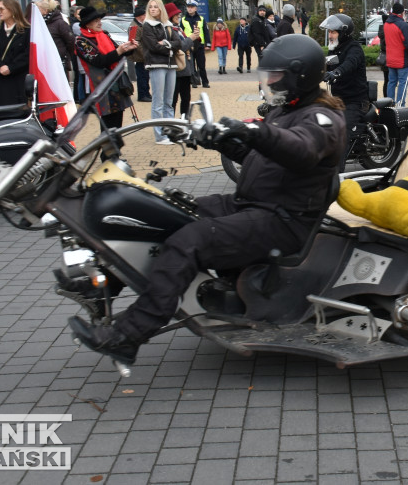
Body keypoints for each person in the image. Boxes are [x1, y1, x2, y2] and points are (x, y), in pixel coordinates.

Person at [68, 34, 347, 364]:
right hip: (252, 204)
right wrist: (213, 139)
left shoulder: (323, 120)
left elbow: (300, 151)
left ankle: (128, 335)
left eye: (275, 76)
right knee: (165, 211)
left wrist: (254, 130)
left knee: (190, 241)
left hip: (283, 220)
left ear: (298, 76)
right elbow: (260, 156)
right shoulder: (286, 110)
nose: (269, 82)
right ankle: (105, 284)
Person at [75, 7, 138, 130]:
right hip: (102, 87)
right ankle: (108, 148)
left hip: (116, 85)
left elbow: (117, 54)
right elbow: (99, 61)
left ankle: (112, 148)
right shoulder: (81, 41)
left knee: (117, 125)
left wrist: (129, 49)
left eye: (100, 19)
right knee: (109, 127)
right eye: (96, 20)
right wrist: (119, 51)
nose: (100, 23)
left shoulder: (104, 35)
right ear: (87, 24)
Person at [321, 14, 367, 164]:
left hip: (354, 100)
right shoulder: (334, 49)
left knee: (342, 132)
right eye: (329, 32)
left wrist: (336, 72)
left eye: (333, 32)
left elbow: (349, 64)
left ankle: (335, 174)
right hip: (337, 99)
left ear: (343, 33)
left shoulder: (354, 48)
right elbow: (325, 65)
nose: (330, 35)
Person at [136, 0, 180, 144]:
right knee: (158, 102)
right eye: (150, 7)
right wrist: (169, 47)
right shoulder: (147, 25)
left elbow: (178, 43)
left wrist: (166, 43)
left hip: (170, 65)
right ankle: (160, 136)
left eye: (155, 7)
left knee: (169, 101)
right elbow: (153, 46)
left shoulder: (168, 25)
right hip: (156, 65)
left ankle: (170, 133)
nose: (152, 9)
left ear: (161, 9)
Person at [0, 0, 30, 106]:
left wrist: (11, 68)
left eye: (2, 9)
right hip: (0, 79)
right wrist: (0, 66)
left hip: (18, 79)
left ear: (12, 9)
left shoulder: (26, 31)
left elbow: (27, 54)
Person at [36, 0, 77, 92]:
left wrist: (64, 54)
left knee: (60, 90)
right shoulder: (40, 23)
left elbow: (70, 41)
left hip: (58, 61)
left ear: (45, 10)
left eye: (39, 10)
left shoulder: (60, 23)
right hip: (44, 62)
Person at [167, 4, 196, 119]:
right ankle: (171, 120)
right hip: (177, 68)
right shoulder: (170, 30)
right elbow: (180, 46)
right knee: (173, 98)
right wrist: (191, 39)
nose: (179, 16)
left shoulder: (178, 29)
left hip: (184, 69)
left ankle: (184, 118)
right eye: (176, 15)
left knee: (186, 97)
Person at [384, 2, 408, 106]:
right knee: (403, 83)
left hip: (390, 59)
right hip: (402, 60)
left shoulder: (386, 24)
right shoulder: (402, 25)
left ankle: (389, 104)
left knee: (391, 82)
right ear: (402, 13)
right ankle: (400, 105)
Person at [180, 0, 210, 88]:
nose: (189, 9)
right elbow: (181, 32)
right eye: (188, 7)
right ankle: (194, 82)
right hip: (188, 44)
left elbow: (206, 31)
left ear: (195, 8)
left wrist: (208, 44)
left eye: (191, 7)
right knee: (191, 65)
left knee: (201, 65)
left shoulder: (201, 18)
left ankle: (205, 82)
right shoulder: (183, 19)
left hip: (199, 44)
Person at [128, 6, 151, 102]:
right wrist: (145, 55)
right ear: (140, 16)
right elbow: (136, 42)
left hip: (142, 56)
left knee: (145, 76)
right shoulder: (134, 26)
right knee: (142, 76)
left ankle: (146, 93)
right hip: (140, 57)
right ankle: (142, 95)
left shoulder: (140, 24)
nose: (146, 16)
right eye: (144, 14)